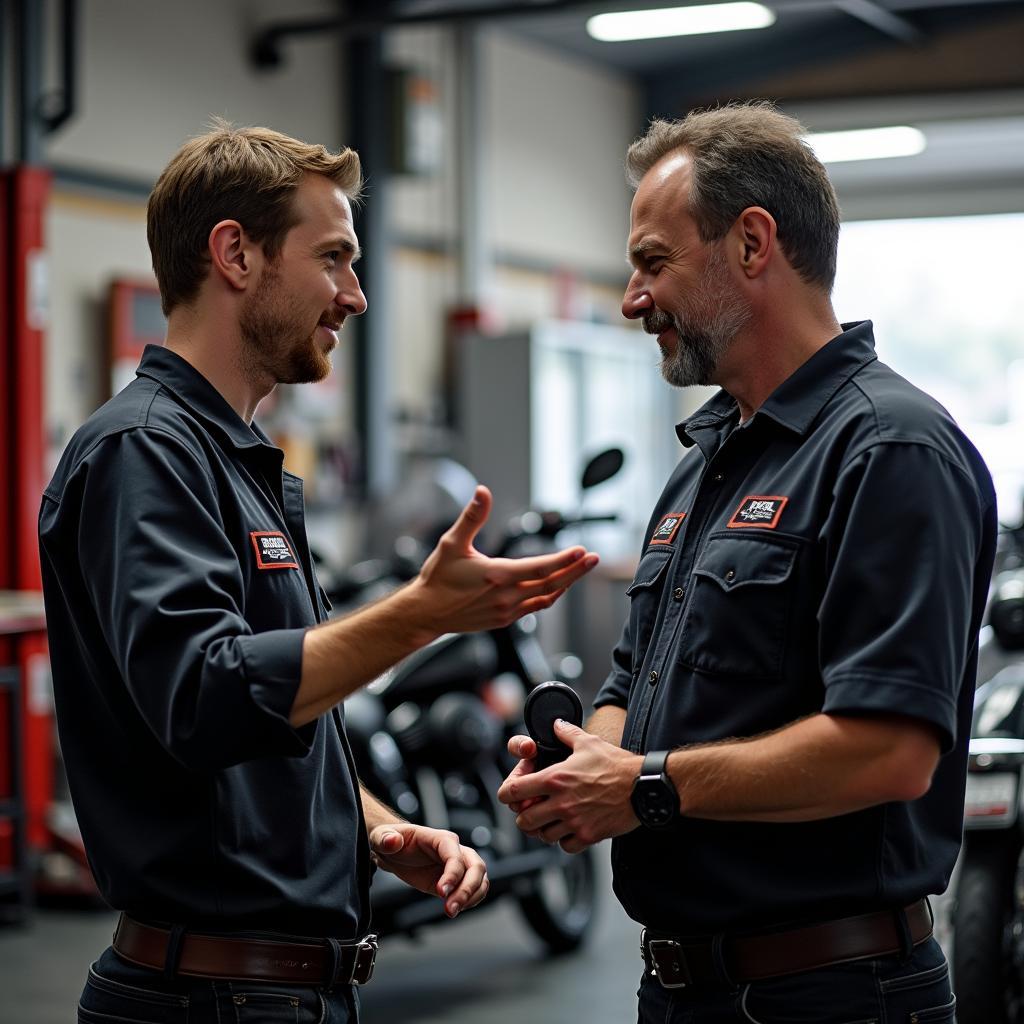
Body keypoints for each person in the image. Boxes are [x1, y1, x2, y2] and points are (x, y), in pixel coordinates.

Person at [38, 122, 598, 1023]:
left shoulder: (235, 459)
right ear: (236, 255)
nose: (357, 296)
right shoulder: (146, 451)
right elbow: (204, 697)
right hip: (210, 999)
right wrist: (421, 614)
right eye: (333, 258)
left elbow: (283, 728)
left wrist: (375, 827)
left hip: (280, 990)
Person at [498, 101, 997, 1023]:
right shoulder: (704, 464)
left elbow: (890, 751)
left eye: (655, 262)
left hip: (836, 994)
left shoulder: (892, 450)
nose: (632, 299)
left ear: (754, 244)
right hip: (689, 990)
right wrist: (584, 767)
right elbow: (629, 688)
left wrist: (643, 788)